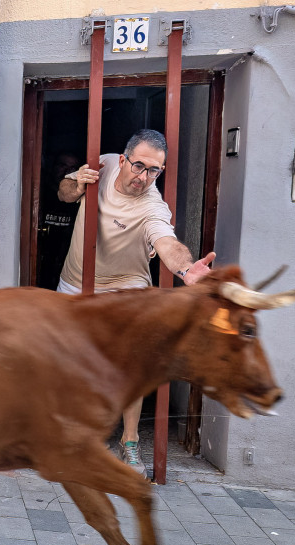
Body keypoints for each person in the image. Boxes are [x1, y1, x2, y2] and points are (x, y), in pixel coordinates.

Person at [56, 129, 216, 476]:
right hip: (76, 283)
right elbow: (64, 194)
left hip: (125, 286)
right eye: (139, 166)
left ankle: (129, 440)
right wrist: (77, 183)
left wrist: (186, 270)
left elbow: (167, 243)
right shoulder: (104, 164)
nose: (143, 177)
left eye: (154, 170)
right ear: (123, 159)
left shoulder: (152, 206)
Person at [37, 151, 82, 289]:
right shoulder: (40, 190)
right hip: (40, 254)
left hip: (68, 258)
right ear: (53, 166)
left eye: (73, 168)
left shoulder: (81, 196)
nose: (67, 171)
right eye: (63, 165)